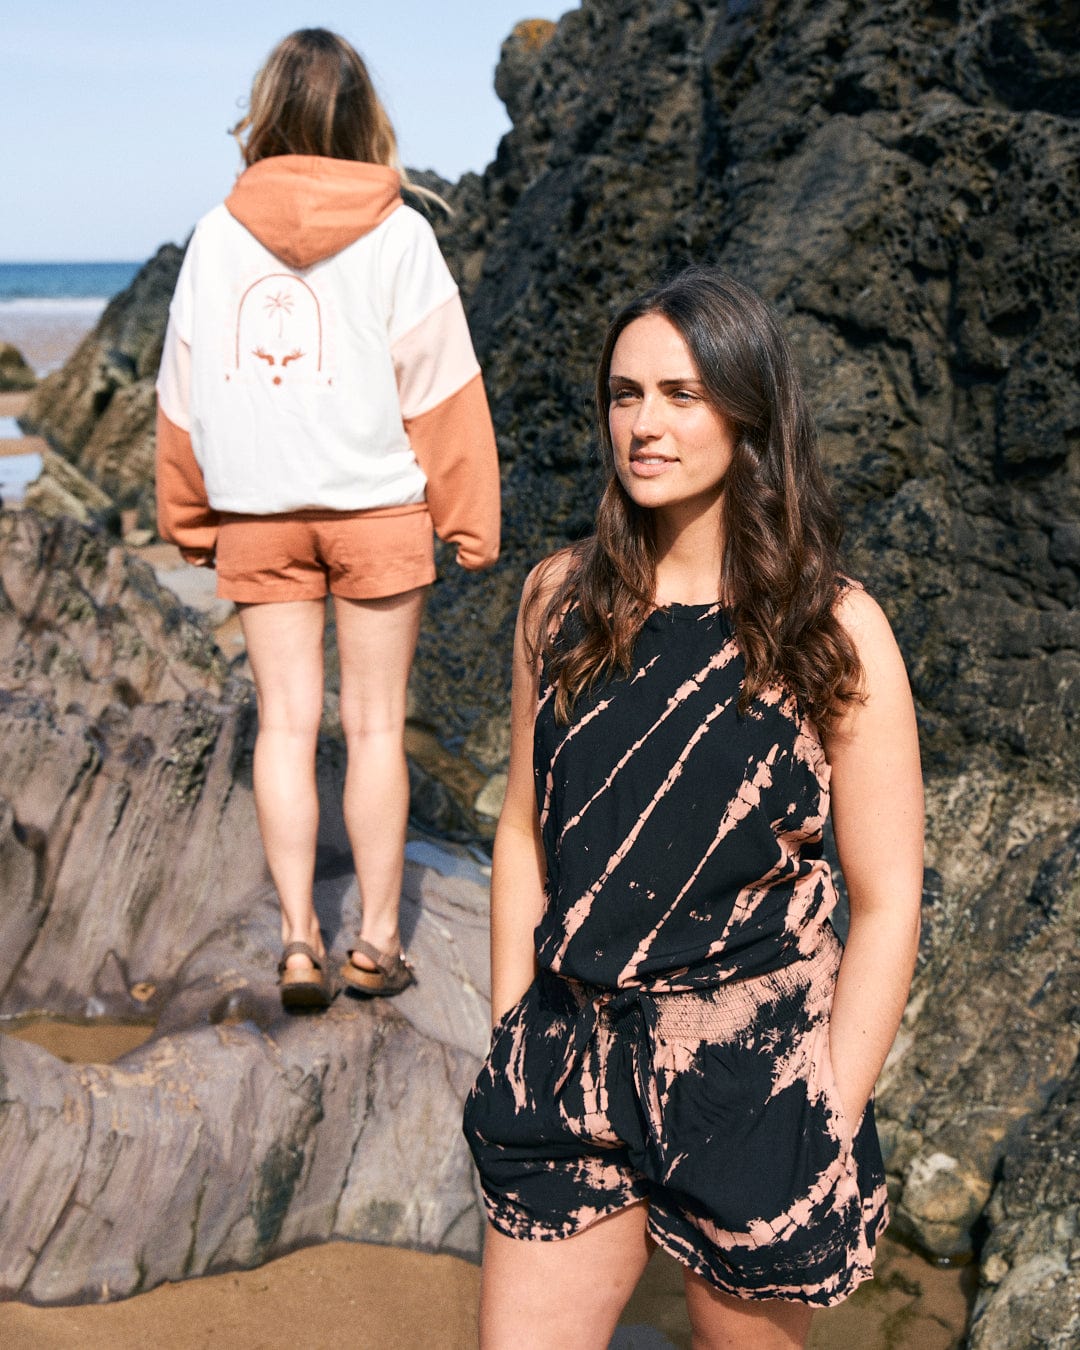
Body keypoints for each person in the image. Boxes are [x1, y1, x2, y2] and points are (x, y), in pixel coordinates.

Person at [463, 267, 922, 1348]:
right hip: (569, 1059)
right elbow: (526, 832)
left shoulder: (833, 628)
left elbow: (891, 895)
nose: (644, 423)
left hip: (754, 1078)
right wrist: (509, 1036)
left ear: (748, 409)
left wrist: (830, 1106)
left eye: (681, 394)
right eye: (624, 395)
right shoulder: (560, 600)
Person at [155, 29, 499, 1009]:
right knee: (378, 727)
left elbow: (184, 393)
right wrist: (470, 517)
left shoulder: (217, 236)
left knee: (287, 728)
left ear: (265, 112)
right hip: (378, 508)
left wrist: (187, 514)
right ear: (362, 118)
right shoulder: (401, 234)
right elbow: (442, 390)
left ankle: (300, 940)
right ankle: (378, 944)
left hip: (260, 516)